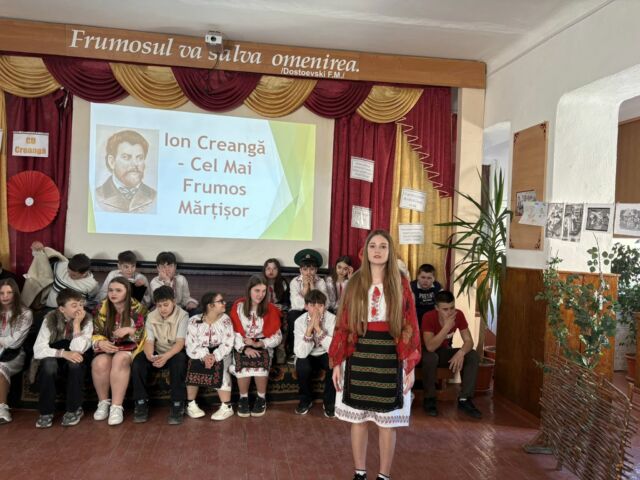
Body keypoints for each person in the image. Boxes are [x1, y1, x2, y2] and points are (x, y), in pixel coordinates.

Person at [329, 229, 421, 480]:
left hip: (390, 355)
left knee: (386, 422)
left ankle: (383, 476)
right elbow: (343, 323)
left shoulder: (400, 283)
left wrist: (409, 365)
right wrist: (337, 362)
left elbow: (410, 325)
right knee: (358, 419)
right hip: (358, 353)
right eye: (373, 246)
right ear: (365, 251)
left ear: (390, 251)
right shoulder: (355, 282)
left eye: (383, 246)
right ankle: (360, 473)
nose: (377, 251)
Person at [33, 289, 93, 428]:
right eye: (74, 305)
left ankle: (74, 409)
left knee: (75, 364)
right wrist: (63, 353)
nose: (79, 309)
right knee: (49, 365)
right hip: (55, 355)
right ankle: (46, 412)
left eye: (81, 304)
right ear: (62, 309)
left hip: (77, 356)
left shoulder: (87, 320)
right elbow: (38, 349)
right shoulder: (50, 318)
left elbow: (79, 349)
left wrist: (77, 325)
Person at [91, 276, 147, 426]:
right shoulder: (101, 307)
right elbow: (96, 331)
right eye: (110, 290)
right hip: (108, 345)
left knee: (120, 359)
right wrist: (100, 342)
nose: (113, 294)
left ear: (127, 292)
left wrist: (130, 330)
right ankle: (103, 403)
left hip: (130, 346)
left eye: (118, 290)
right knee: (99, 362)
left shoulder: (138, 308)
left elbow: (145, 333)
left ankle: (116, 407)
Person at [131, 286, 188, 425]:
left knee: (179, 361)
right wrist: (150, 355)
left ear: (173, 301)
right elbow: (149, 341)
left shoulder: (183, 315)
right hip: (157, 350)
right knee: (138, 361)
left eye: (166, 305)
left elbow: (180, 343)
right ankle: (141, 401)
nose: (162, 309)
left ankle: (177, 402)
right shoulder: (151, 316)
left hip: (174, 351)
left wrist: (166, 356)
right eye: (159, 305)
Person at [421, 290, 481, 419]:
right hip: (426, 352)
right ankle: (429, 398)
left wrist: (461, 352)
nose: (450, 312)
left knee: (472, 355)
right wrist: (446, 327)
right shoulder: (428, 317)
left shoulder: (458, 315)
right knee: (431, 357)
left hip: (443, 352)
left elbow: (469, 341)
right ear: (437, 308)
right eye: (445, 309)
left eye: (452, 308)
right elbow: (430, 347)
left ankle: (464, 399)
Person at [229, 275, 282, 418]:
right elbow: (233, 332)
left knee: (260, 366)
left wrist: (261, 343)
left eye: (264, 291)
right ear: (249, 290)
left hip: (262, 343)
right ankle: (243, 399)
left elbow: (277, 336)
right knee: (243, 366)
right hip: (243, 343)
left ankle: (261, 398)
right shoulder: (239, 307)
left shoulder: (270, 309)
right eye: (257, 290)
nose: (260, 295)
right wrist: (245, 348)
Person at [185, 291, 235, 421]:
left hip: (221, 352)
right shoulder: (194, 321)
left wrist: (215, 356)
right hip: (200, 352)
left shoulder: (225, 320)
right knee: (193, 365)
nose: (224, 303)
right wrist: (205, 356)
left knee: (222, 367)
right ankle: (191, 404)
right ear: (210, 305)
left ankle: (226, 407)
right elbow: (191, 344)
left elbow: (228, 342)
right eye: (220, 301)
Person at [293, 289, 336, 417]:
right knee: (302, 367)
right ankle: (305, 400)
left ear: (325, 306)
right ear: (306, 306)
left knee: (334, 364)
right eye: (312, 305)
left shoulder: (332, 319)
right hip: (308, 354)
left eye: (320, 305)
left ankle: (329, 402)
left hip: (325, 352)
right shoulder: (299, 321)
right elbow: (300, 353)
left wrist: (318, 329)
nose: (316, 309)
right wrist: (309, 330)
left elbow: (333, 349)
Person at [95, 129, 157, 213]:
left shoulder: (155, 196)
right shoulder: (96, 196)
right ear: (112, 162)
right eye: (126, 157)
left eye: (139, 158)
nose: (135, 163)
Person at [29, 242, 99, 310]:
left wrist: (83, 303)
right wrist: (37, 250)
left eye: (73, 275)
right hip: (48, 308)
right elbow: (43, 264)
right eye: (68, 271)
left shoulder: (92, 286)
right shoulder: (62, 265)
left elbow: (91, 303)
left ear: (84, 273)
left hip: (70, 313)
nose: (69, 275)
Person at [0, 279, 33, 424]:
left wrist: (4, 341)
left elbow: (14, 342)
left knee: (0, 368)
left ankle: (2, 409)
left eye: (9, 292)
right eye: (1, 293)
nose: (5, 296)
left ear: (15, 294)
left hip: (15, 354)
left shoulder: (25, 313)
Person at [286, 249, 328, 360]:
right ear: (300, 270)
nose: (308, 273)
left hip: (317, 310)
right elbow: (296, 304)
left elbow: (324, 302)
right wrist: (305, 288)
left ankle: (322, 347)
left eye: (312, 269)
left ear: (316, 270)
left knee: (328, 314)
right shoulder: (295, 282)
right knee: (292, 315)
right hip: (301, 310)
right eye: (305, 269)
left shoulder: (321, 281)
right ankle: (295, 351)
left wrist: (313, 286)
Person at [263, 258, 289, 364]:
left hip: (278, 311)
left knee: (284, 320)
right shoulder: (260, 281)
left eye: (274, 269)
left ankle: (280, 349)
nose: (271, 271)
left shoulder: (282, 282)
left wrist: (282, 306)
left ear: (278, 270)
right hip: (264, 309)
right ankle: (267, 349)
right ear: (264, 270)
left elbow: (287, 301)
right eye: (268, 268)